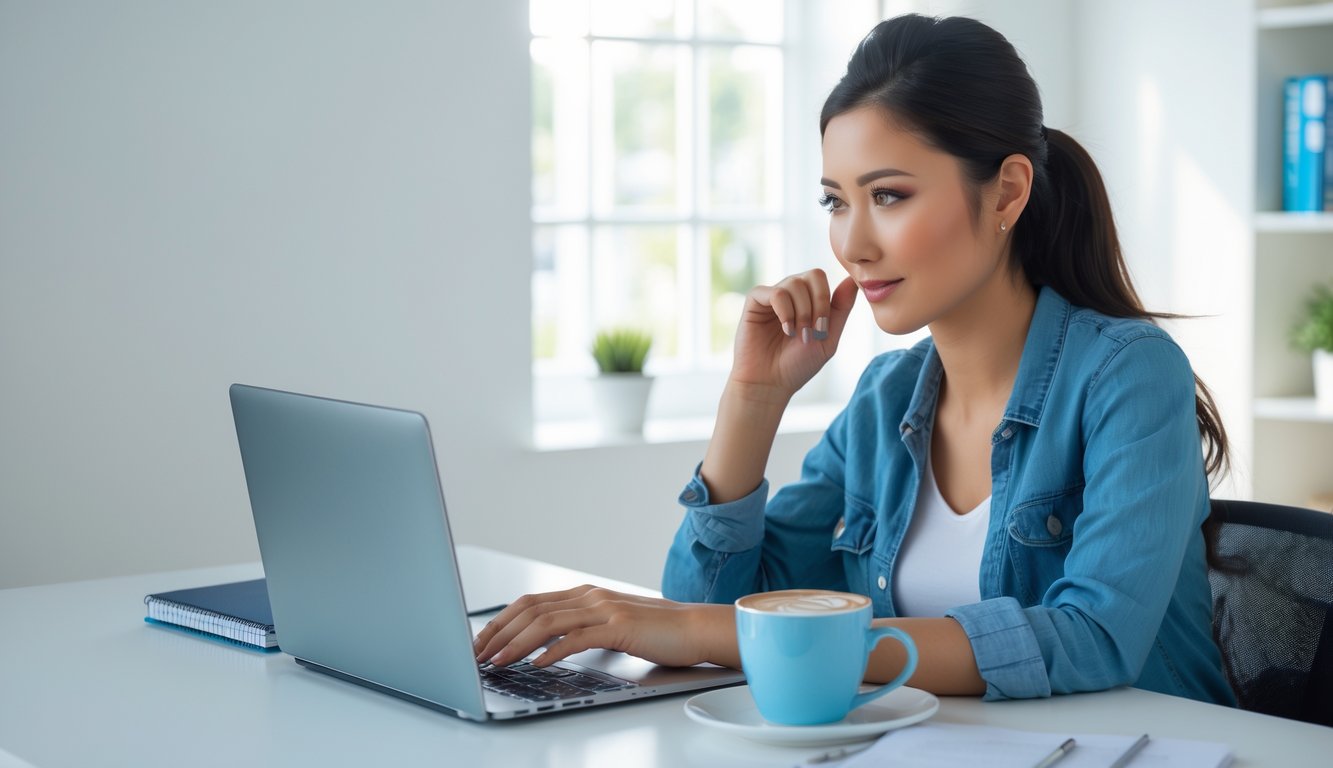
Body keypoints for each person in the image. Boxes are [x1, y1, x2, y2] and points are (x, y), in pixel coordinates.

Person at [474, 14, 1236, 705]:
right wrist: (751, 398)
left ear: (1006, 193)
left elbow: (1092, 638)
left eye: (890, 196)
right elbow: (715, 599)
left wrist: (720, 633)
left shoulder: (1127, 374)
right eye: (835, 201)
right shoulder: (887, 396)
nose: (852, 244)